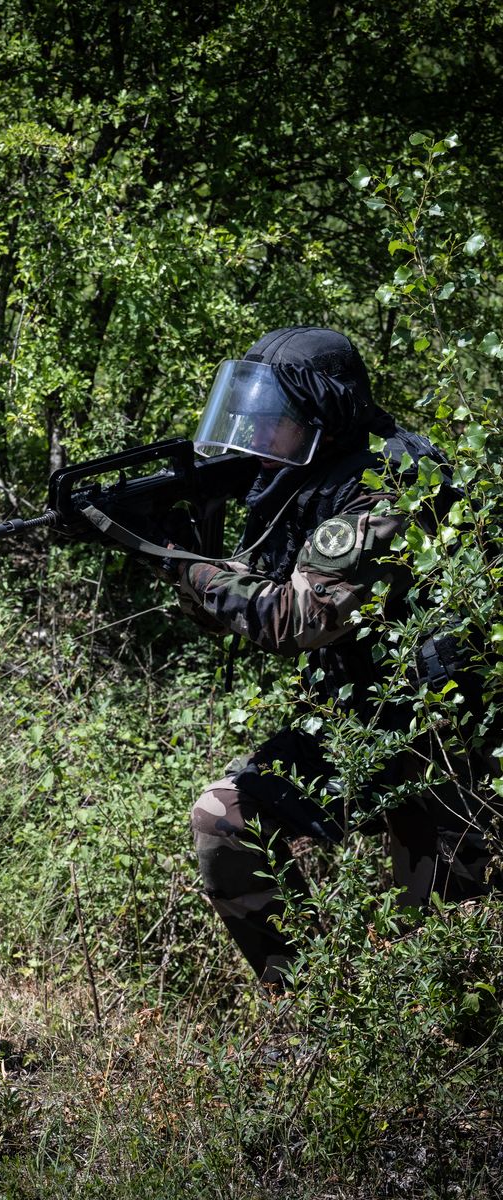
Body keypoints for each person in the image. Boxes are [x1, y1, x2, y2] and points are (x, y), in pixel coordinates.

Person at [173, 327, 497, 986]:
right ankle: (314, 1006)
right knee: (225, 819)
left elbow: (295, 618)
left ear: (323, 417)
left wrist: (190, 571)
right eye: (251, 419)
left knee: (449, 956)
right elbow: (255, 589)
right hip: (367, 721)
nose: (257, 439)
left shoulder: (388, 485)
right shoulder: (298, 481)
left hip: (448, 736)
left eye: (275, 422)